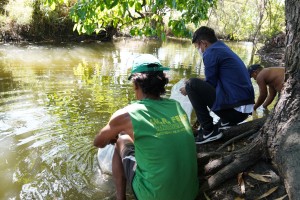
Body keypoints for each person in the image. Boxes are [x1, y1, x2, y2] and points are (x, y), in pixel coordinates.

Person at [94, 54, 199, 200]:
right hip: (190, 194)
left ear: (136, 84)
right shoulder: (176, 106)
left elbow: (98, 142)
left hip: (155, 196)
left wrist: (115, 135)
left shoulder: (127, 114)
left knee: (120, 142)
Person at [180, 26, 255, 144]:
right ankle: (226, 121)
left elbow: (210, 84)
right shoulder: (221, 47)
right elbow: (215, 80)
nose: (198, 50)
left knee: (191, 84)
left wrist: (188, 88)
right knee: (194, 83)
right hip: (243, 110)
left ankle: (208, 130)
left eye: (197, 47)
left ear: (203, 43)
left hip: (236, 112)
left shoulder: (211, 52)